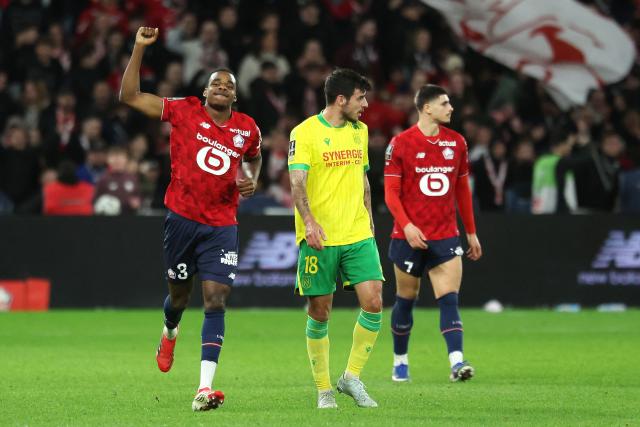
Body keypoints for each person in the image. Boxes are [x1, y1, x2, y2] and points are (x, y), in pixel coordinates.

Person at [119, 27, 262, 411]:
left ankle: (204, 388)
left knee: (215, 299)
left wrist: (252, 180)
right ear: (205, 91)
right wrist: (138, 48)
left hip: (221, 225)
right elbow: (129, 96)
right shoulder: (183, 110)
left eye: (228, 85)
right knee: (179, 299)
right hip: (181, 220)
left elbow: (254, 156)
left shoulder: (247, 128)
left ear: (234, 95)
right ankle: (169, 331)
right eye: (215, 83)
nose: (221, 87)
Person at [288, 68, 384, 409]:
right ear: (341, 99)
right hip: (321, 236)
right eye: (361, 97)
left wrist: (370, 220)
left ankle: (352, 377)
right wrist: (310, 221)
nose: (366, 104)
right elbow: (297, 182)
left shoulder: (360, 132)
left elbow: (363, 179)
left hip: (357, 232)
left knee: (373, 302)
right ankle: (324, 389)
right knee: (320, 311)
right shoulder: (305, 133)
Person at [383, 84, 482, 383]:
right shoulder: (400, 144)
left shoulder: (457, 143)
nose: (451, 108)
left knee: (449, 298)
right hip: (407, 237)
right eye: (444, 103)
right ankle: (400, 361)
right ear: (426, 107)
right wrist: (407, 225)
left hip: (445, 236)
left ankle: (457, 362)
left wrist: (472, 233)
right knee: (406, 299)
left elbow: (462, 190)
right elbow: (391, 193)